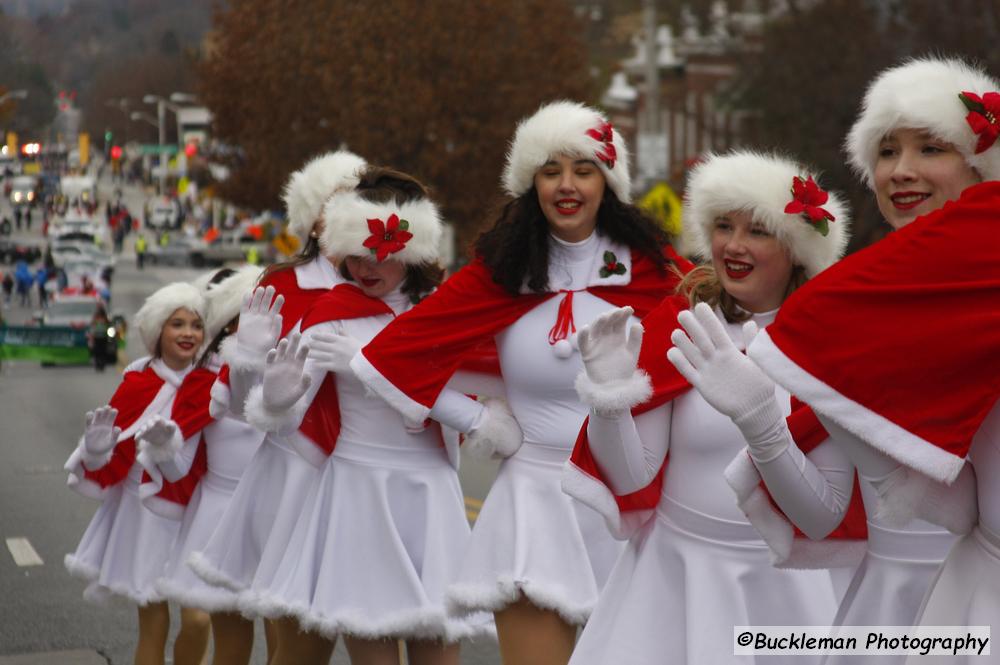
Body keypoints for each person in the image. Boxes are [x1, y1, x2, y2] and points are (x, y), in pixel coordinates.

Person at [346, 101, 690, 665]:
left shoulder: (657, 273)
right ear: (530, 183)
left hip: (631, 507)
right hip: (534, 504)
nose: (567, 185)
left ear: (608, 181)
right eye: (550, 171)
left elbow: (714, 357)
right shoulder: (502, 269)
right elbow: (390, 358)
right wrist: (478, 419)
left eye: (583, 169)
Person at [743, 58, 999, 664]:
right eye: (886, 152)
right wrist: (761, 421)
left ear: (981, 165)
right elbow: (950, 505)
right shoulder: (855, 314)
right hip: (898, 613)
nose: (902, 171)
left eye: (931, 147)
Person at [562, 151, 852, 665]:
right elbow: (632, 478)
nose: (734, 245)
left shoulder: (832, 345)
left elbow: (823, 516)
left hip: (781, 599)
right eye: (723, 226)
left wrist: (761, 423)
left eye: (757, 230)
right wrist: (609, 402)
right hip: (669, 583)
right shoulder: (684, 321)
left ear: (796, 248)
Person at [242, 165, 489, 665]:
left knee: (439, 654)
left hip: (430, 494)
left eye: (382, 253)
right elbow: (292, 427)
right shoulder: (330, 315)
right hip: (357, 493)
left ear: (412, 251)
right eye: (354, 253)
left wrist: (377, 370)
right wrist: (274, 396)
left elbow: (480, 397)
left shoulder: (441, 311)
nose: (365, 266)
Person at [187, 150, 363, 663]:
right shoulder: (282, 283)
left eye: (358, 199)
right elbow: (239, 405)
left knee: (373, 631)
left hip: (366, 477)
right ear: (312, 216)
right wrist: (247, 360)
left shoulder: (389, 280)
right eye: (335, 202)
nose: (347, 212)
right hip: (293, 476)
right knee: (294, 641)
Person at [64, 282, 211, 665]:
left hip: (197, 508)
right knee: (153, 613)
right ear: (157, 331)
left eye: (195, 325)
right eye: (177, 324)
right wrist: (95, 453)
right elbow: (110, 455)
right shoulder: (137, 381)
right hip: (145, 510)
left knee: (197, 619)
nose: (187, 333)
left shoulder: (214, 382)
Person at [138, 267, 268, 665]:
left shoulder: (289, 369)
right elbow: (179, 467)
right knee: (219, 627)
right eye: (242, 319)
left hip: (275, 511)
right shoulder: (203, 381)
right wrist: (163, 447)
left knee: (284, 630)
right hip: (217, 516)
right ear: (226, 326)